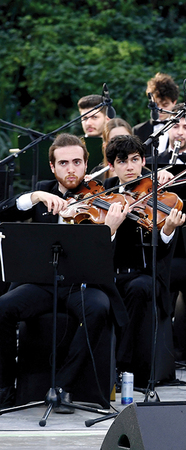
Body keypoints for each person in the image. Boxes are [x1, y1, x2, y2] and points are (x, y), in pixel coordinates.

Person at [0, 134, 128, 410]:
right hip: (43, 283)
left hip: (84, 285)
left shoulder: (103, 197)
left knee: (97, 309)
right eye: (63, 163)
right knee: (3, 308)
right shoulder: (42, 192)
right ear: (52, 166)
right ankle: (5, 387)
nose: (71, 169)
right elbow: (4, 212)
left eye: (77, 162)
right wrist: (34, 196)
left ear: (86, 165)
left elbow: (107, 261)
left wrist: (110, 230)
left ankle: (62, 386)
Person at [103, 135, 184, 383]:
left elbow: (164, 249)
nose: (130, 167)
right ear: (111, 166)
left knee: (138, 289)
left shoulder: (156, 194)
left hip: (145, 273)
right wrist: (111, 228)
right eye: (122, 161)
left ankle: (123, 365)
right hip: (110, 274)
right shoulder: (103, 193)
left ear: (143, 161)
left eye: (135, 160)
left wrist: (168, 230)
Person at [133, 72, 180, 156]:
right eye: (156, 105)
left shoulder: (182, 131)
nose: (160, 109)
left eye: (165, 105)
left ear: (174, 102)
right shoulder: (138, 131)